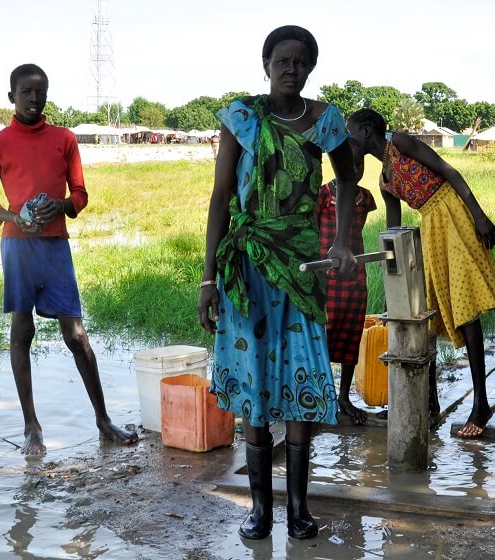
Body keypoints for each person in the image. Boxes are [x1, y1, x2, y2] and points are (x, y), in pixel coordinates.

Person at [198, 25, 357, 541]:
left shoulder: (325, 120)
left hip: (302, 267)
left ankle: (299, 509)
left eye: (301, 62)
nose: (291, 69)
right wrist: (207, 279)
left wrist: (343, 242)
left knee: (302, 382)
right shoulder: (241, 118)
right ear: (265, 64)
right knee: (255, 386)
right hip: (246, 269)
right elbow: (221, 199)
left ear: (310, 67)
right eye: (282, 60)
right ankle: (261, 510)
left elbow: (348, 180)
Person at [0, 63, 138, 456]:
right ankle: (31, 426)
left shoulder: (64, 138)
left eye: (41, 92)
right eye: (26, 92)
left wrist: (62, 205)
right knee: (22, 333)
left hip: (54, 247)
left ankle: (103, 420)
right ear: (11, 96)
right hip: (17, 247)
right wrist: (14, 217)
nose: (34, 99)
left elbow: (81, 195)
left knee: (77, 336)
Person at [346, 108, 495, 438]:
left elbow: (449, 171)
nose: (346, 141)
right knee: (431, 313)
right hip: (431, 227)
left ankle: (481, 403)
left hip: (453, 213)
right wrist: (388, 269)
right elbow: (393, 230)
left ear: (365, 131)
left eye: (349, 133)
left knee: (467, 309)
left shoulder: (402, 143)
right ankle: (429, 403)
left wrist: (478, 215)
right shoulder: (384, 181)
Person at [316, 149, 376, 425]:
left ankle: (343, 397)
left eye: (359, 163)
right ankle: (321, 396)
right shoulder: (324, 195)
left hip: (355, 276)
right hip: (327, 275)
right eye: (348, 163)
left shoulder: (366, 198)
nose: (354, 168)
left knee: (350, 335)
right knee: (322, 336)